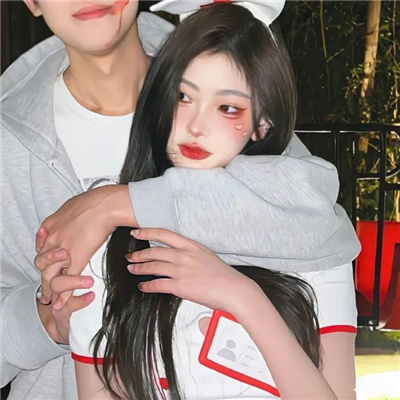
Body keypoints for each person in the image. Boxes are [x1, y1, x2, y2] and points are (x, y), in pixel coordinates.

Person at [1, 0, 358, 399]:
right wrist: (44, 322)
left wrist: (116, 204)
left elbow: (311, 215)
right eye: (183, 98)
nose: (198, 124)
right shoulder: (9, 140)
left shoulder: (228, 62)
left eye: (227, 107)